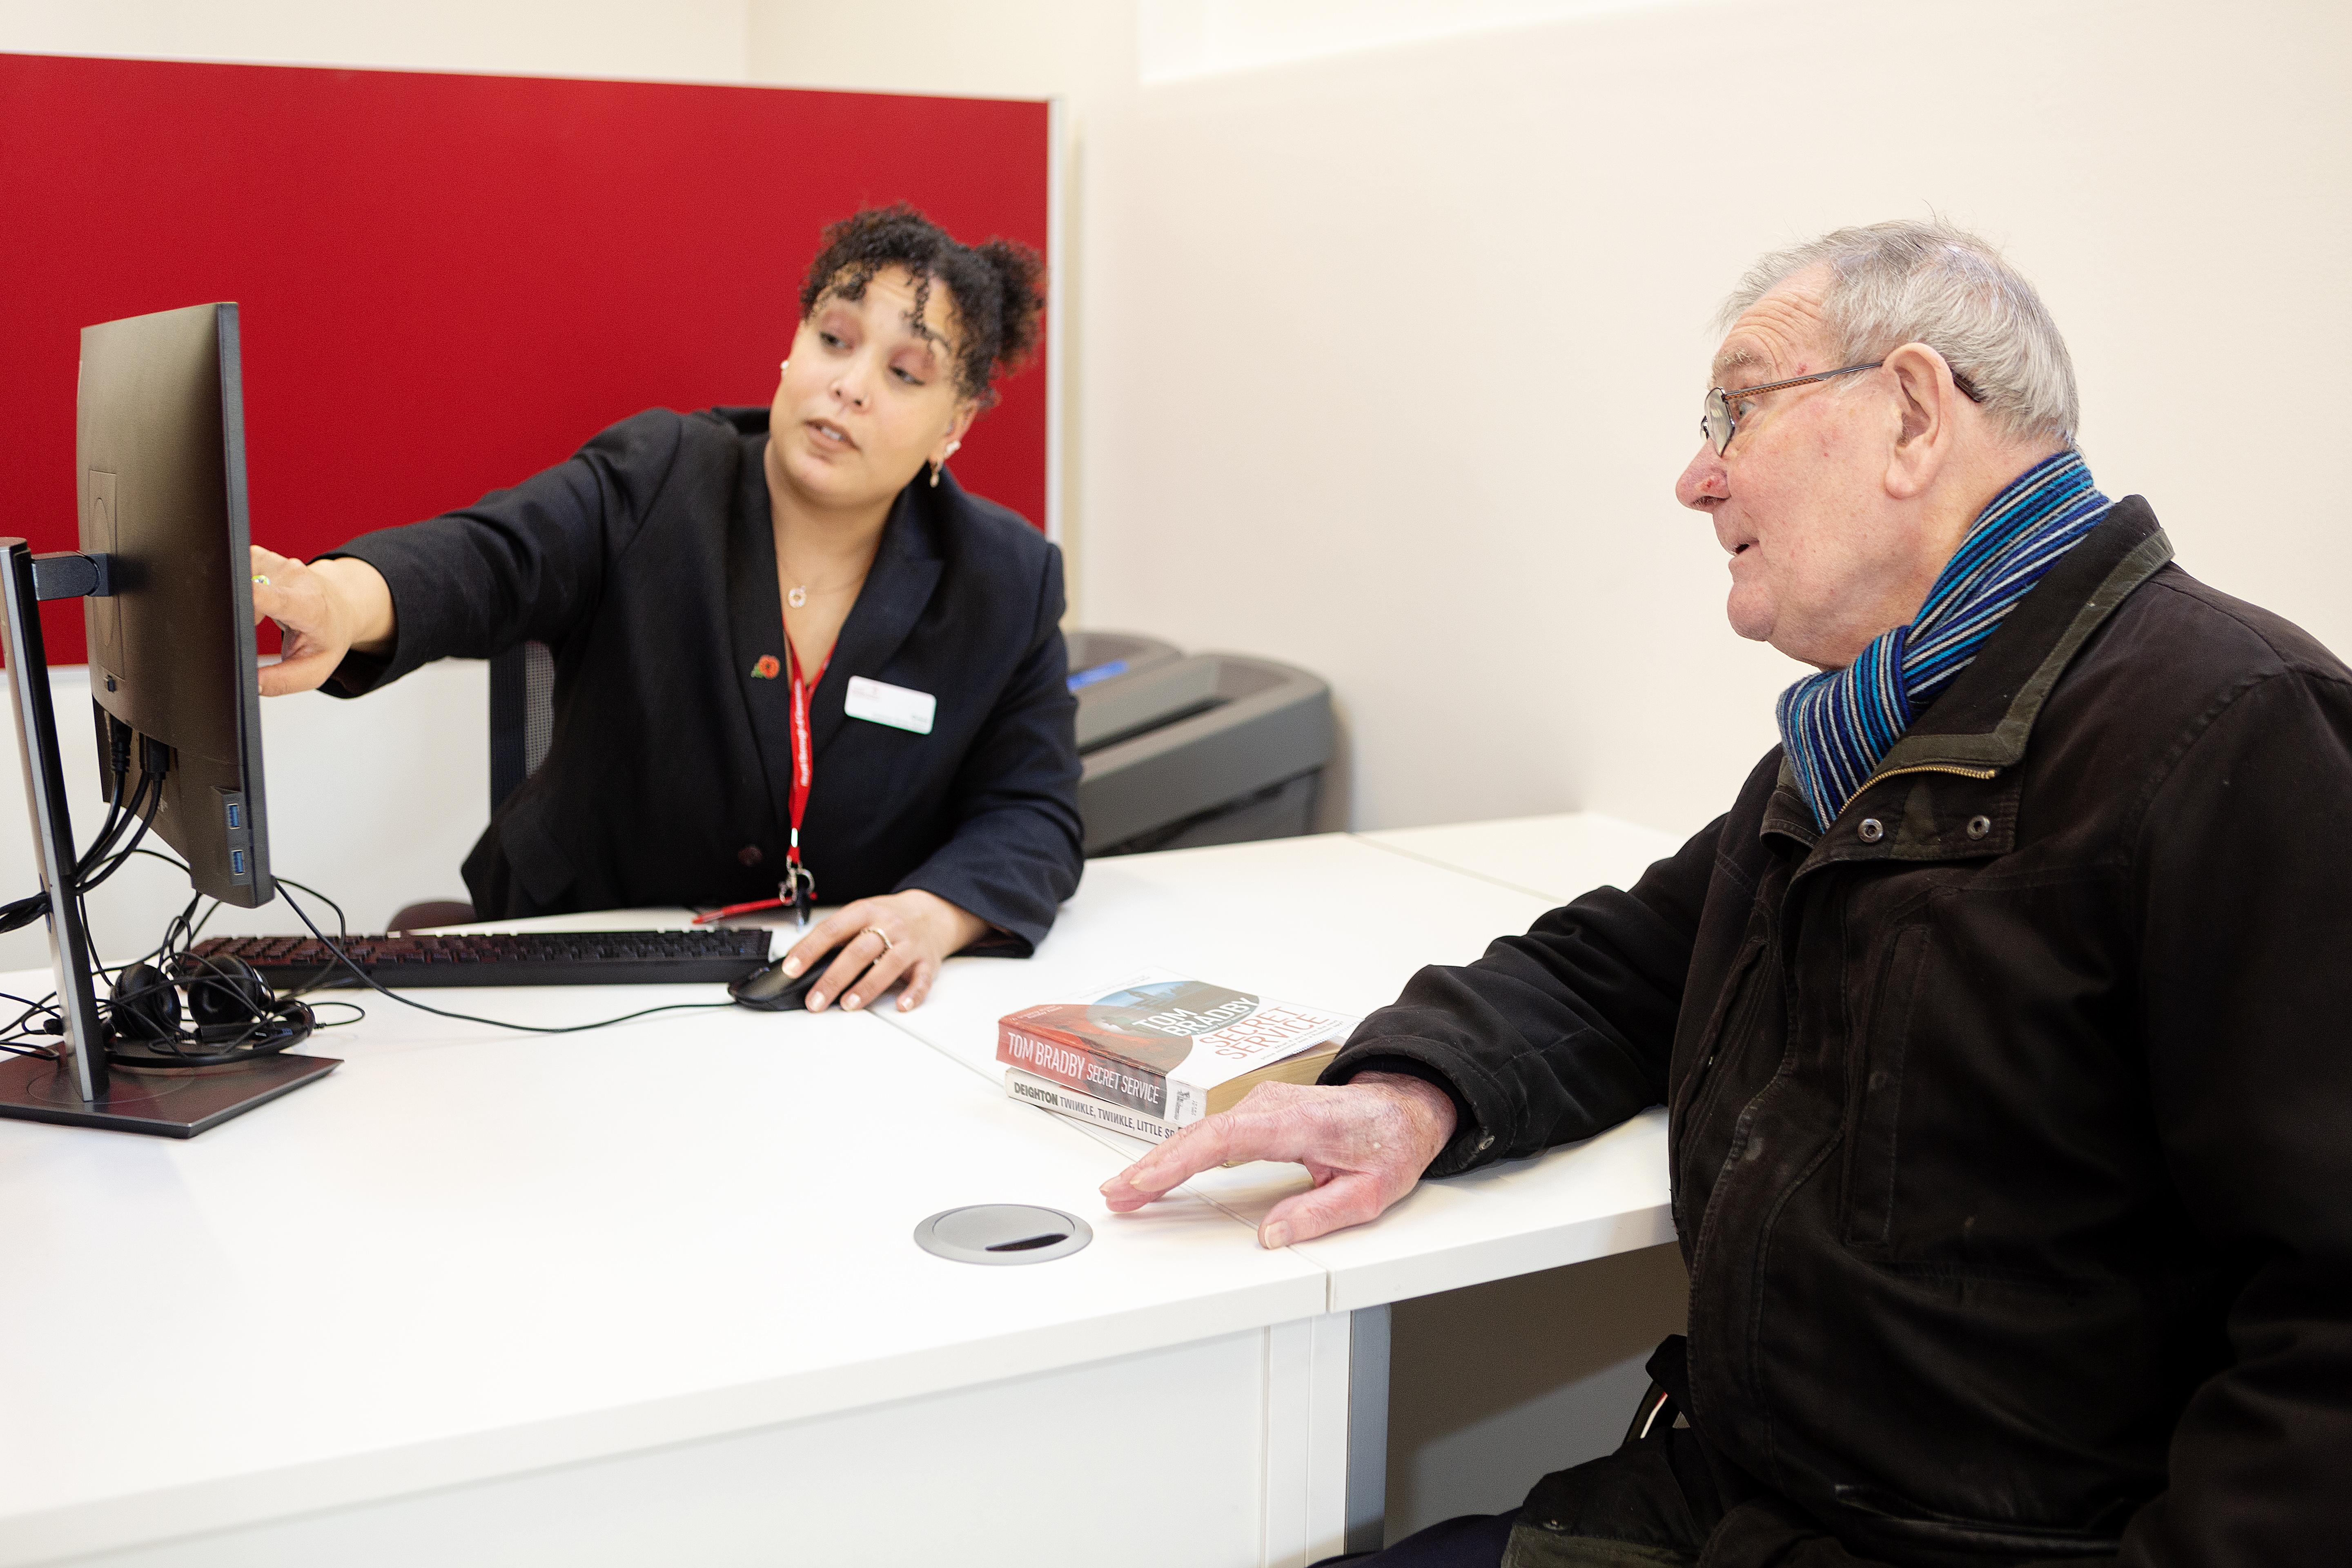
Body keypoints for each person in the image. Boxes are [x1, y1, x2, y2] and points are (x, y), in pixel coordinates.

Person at [1102, 221, 2352, 1566]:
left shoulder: (2237, 733)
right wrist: (1412, 1094)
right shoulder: (1869, 737)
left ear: (1915, 416)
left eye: (1736, 411)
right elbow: (1627, 962)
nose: (1696, 479)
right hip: (1738, 1507)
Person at [247, 206, 1083, 1013]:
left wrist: (937, 912)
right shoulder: (662, 476)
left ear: (955, 423)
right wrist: (339, 601)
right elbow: (489, 559)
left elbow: (1034, 811)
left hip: (824, 1010)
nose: (849, 386)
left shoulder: (1006, 579)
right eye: (833, 340)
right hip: (573, 970)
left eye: (905, 373)